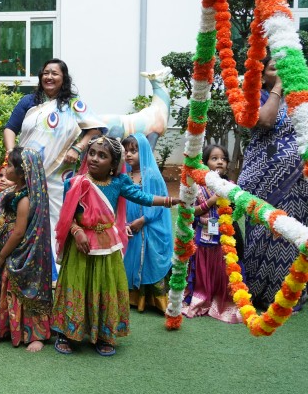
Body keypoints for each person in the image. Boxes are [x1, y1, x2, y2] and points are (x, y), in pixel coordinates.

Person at [52, 136, 182, 357]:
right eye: (91, 153)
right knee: (77, 284)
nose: (94, 158)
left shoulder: (119, 183)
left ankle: (104, 333)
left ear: (113, 164)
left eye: (102, 156)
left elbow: (143, 197)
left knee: (105, 286)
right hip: (81, 246)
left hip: (107, 246)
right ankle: (67, 332)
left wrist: (170, 201)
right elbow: (67, 216)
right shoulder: (73, 183)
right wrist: (77, 231)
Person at [3, 59, 104, 262]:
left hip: (59, 175)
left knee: (57, 217)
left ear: (63, 78)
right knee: (23, 217)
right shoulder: (28, 101)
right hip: (26, 173)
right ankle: (25, 263)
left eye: (55, 73)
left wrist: (78, 147)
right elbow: (10, 128)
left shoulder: (74, 104)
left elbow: (94, 128)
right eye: (46, 73)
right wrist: (12, 153)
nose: (49, 77)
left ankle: (55, 268)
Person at [238, 56, 308, 309]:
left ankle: (290, 295)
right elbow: (265, 121)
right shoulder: (256, 97)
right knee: (263, 233)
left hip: (298, 185)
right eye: (273, 68)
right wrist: (278, 87)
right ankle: (259, 292)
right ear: (263, 74)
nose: (280, 72)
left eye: (283, 68)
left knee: (293, 235)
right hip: (263, 182)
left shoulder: (300, 99)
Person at [0, 147, 53, 352]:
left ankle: (35, 334)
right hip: (6, 249)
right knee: (8, 288)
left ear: (23, 172)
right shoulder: (13, 192)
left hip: (20, 253)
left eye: (12, 165)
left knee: (24, 290)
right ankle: (7, 328)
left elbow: (18, 233)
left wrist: (3, 254)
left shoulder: (24, 199)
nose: (7, 168)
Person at [182, 144, 242, 323]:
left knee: (223, 268)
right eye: (214, 158)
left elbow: (236, 209)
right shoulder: (197, 187)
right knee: (202, 267)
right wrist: (211, 202)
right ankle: (202, 296)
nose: (220, 162)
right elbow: (191, 212)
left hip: (225, 238)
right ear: (205, 162)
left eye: (223, 159)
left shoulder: (230, 186)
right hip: (202, 236)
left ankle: (220, 297)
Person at [121, 133, 173, 313]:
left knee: (151, 260)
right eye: (126, 151)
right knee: (130, 259)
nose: (128, 154)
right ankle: (134, 298)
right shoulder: (125, 176)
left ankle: (155, 301)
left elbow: (160, 203)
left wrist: (143, 220)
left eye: (133, 151)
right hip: (129, 227)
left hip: (150, 227)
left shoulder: (151, 175)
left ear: (143, 152)